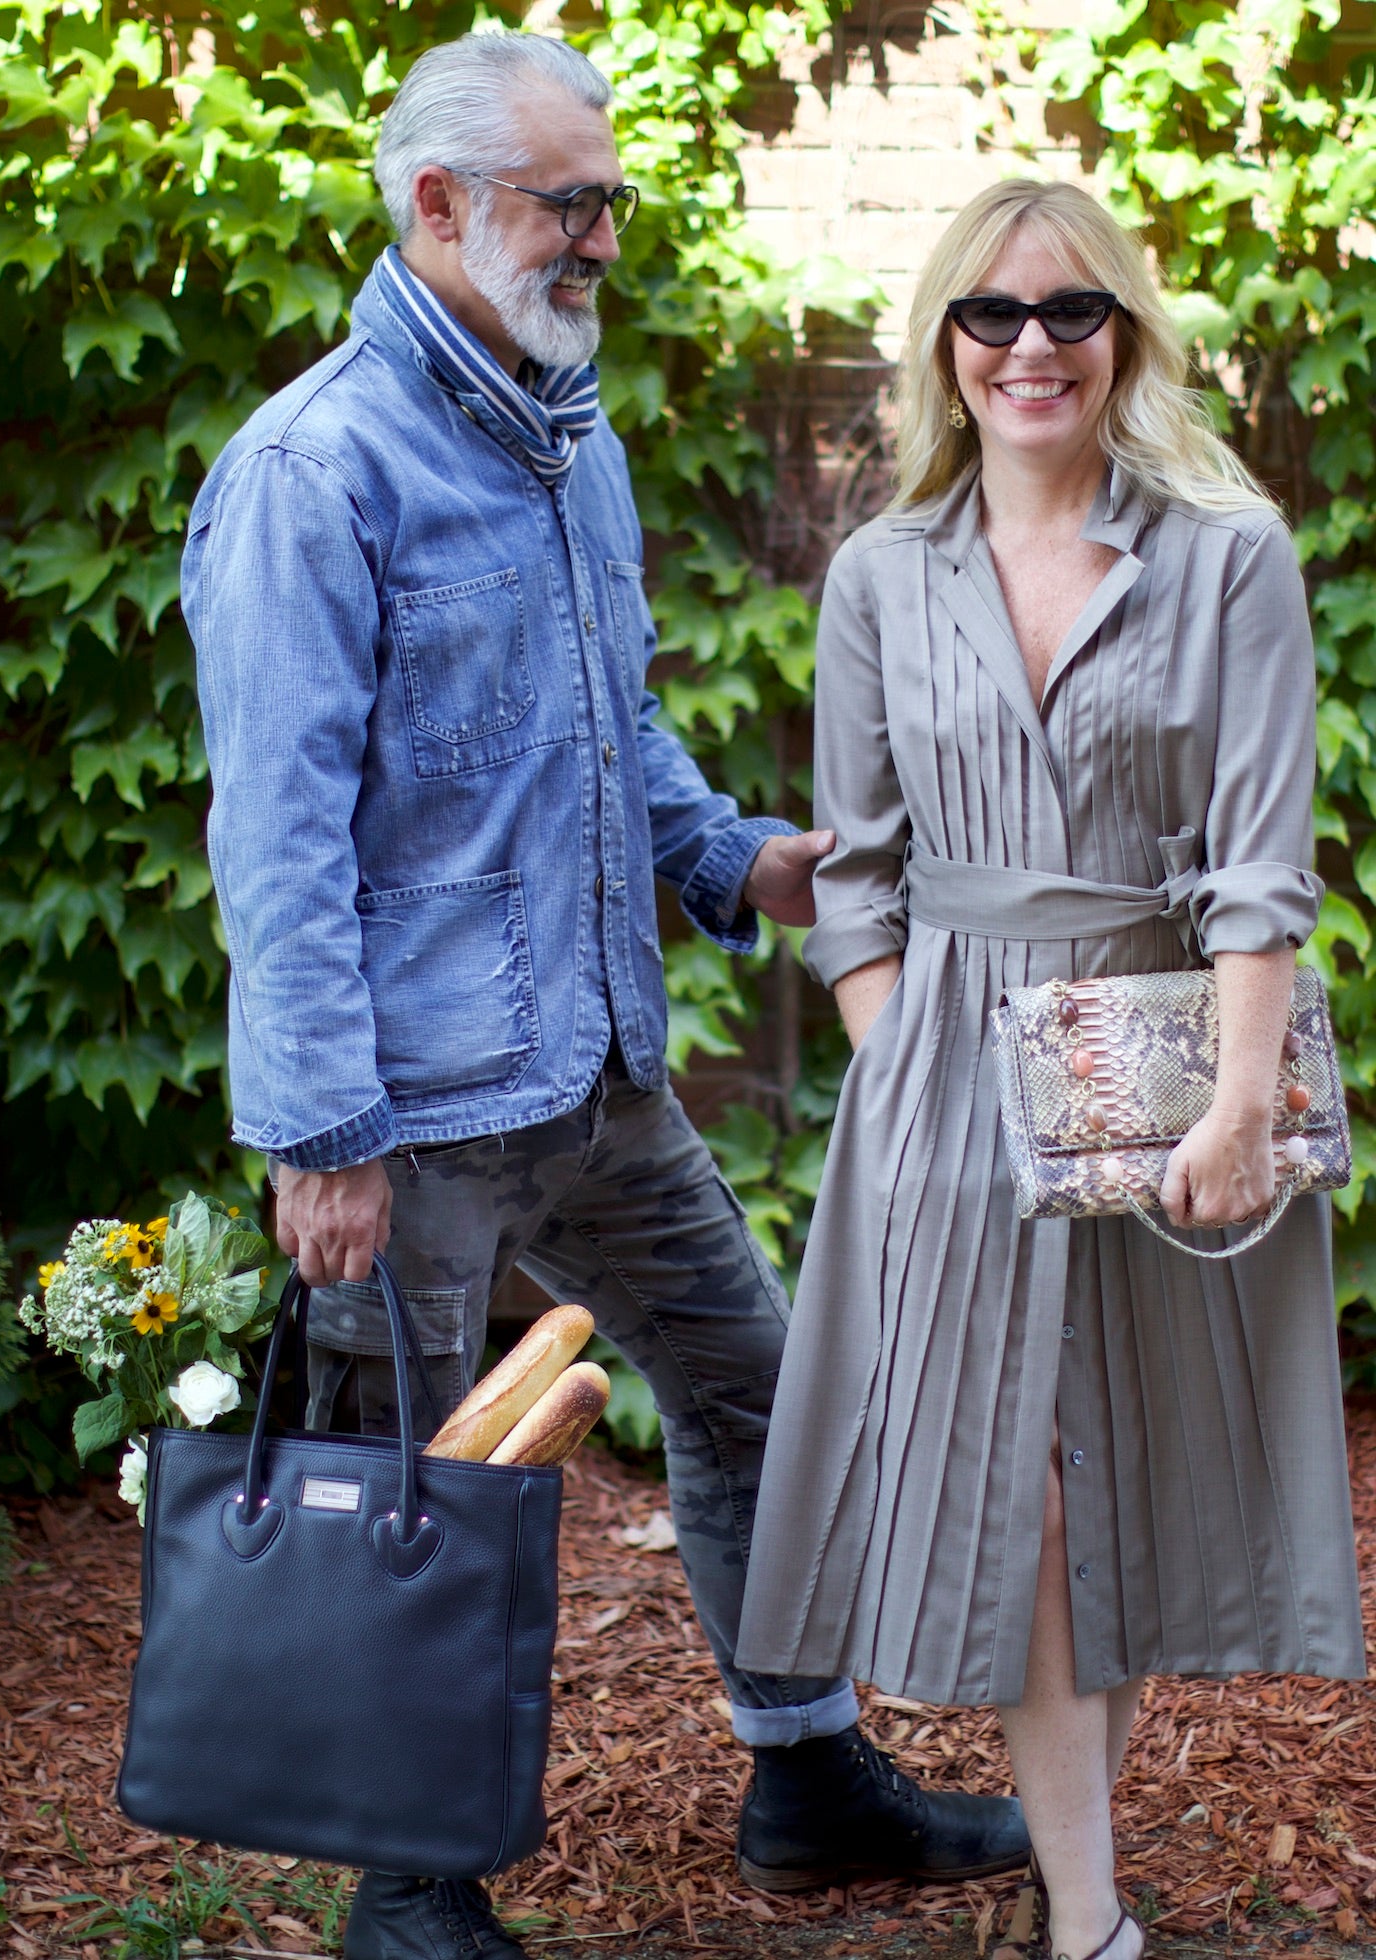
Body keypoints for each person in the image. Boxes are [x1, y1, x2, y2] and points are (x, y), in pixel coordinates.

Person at [183, 32, 1029, 1960]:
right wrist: (316, 1133)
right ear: (439, 207)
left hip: (603, 1071)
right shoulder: (314, 473)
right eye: (570, 206)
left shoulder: (577, 433)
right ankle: (410, 1878)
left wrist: (735, 859)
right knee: (419, 1485)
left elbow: (611, 727)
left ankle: (804, 1771)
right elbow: (281, 837)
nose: (601, 245)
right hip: (409, 1111)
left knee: (760, 1392)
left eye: (611, 204)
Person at [735, 178, 1365, 1960]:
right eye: (993, 316)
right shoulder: (876, 573)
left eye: (1071, 314)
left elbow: (1258, 865)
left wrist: (1241, 1104)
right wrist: (907, 1070)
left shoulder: (1228, 553)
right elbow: (855, 875)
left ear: (1126, 337)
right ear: (946, 341)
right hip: (939, 1079)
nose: (1032, 347)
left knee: (1125, 1473)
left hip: (1161, 1071)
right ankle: (1091, 1913)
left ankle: (1084, 1882)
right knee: (1027, 1488)